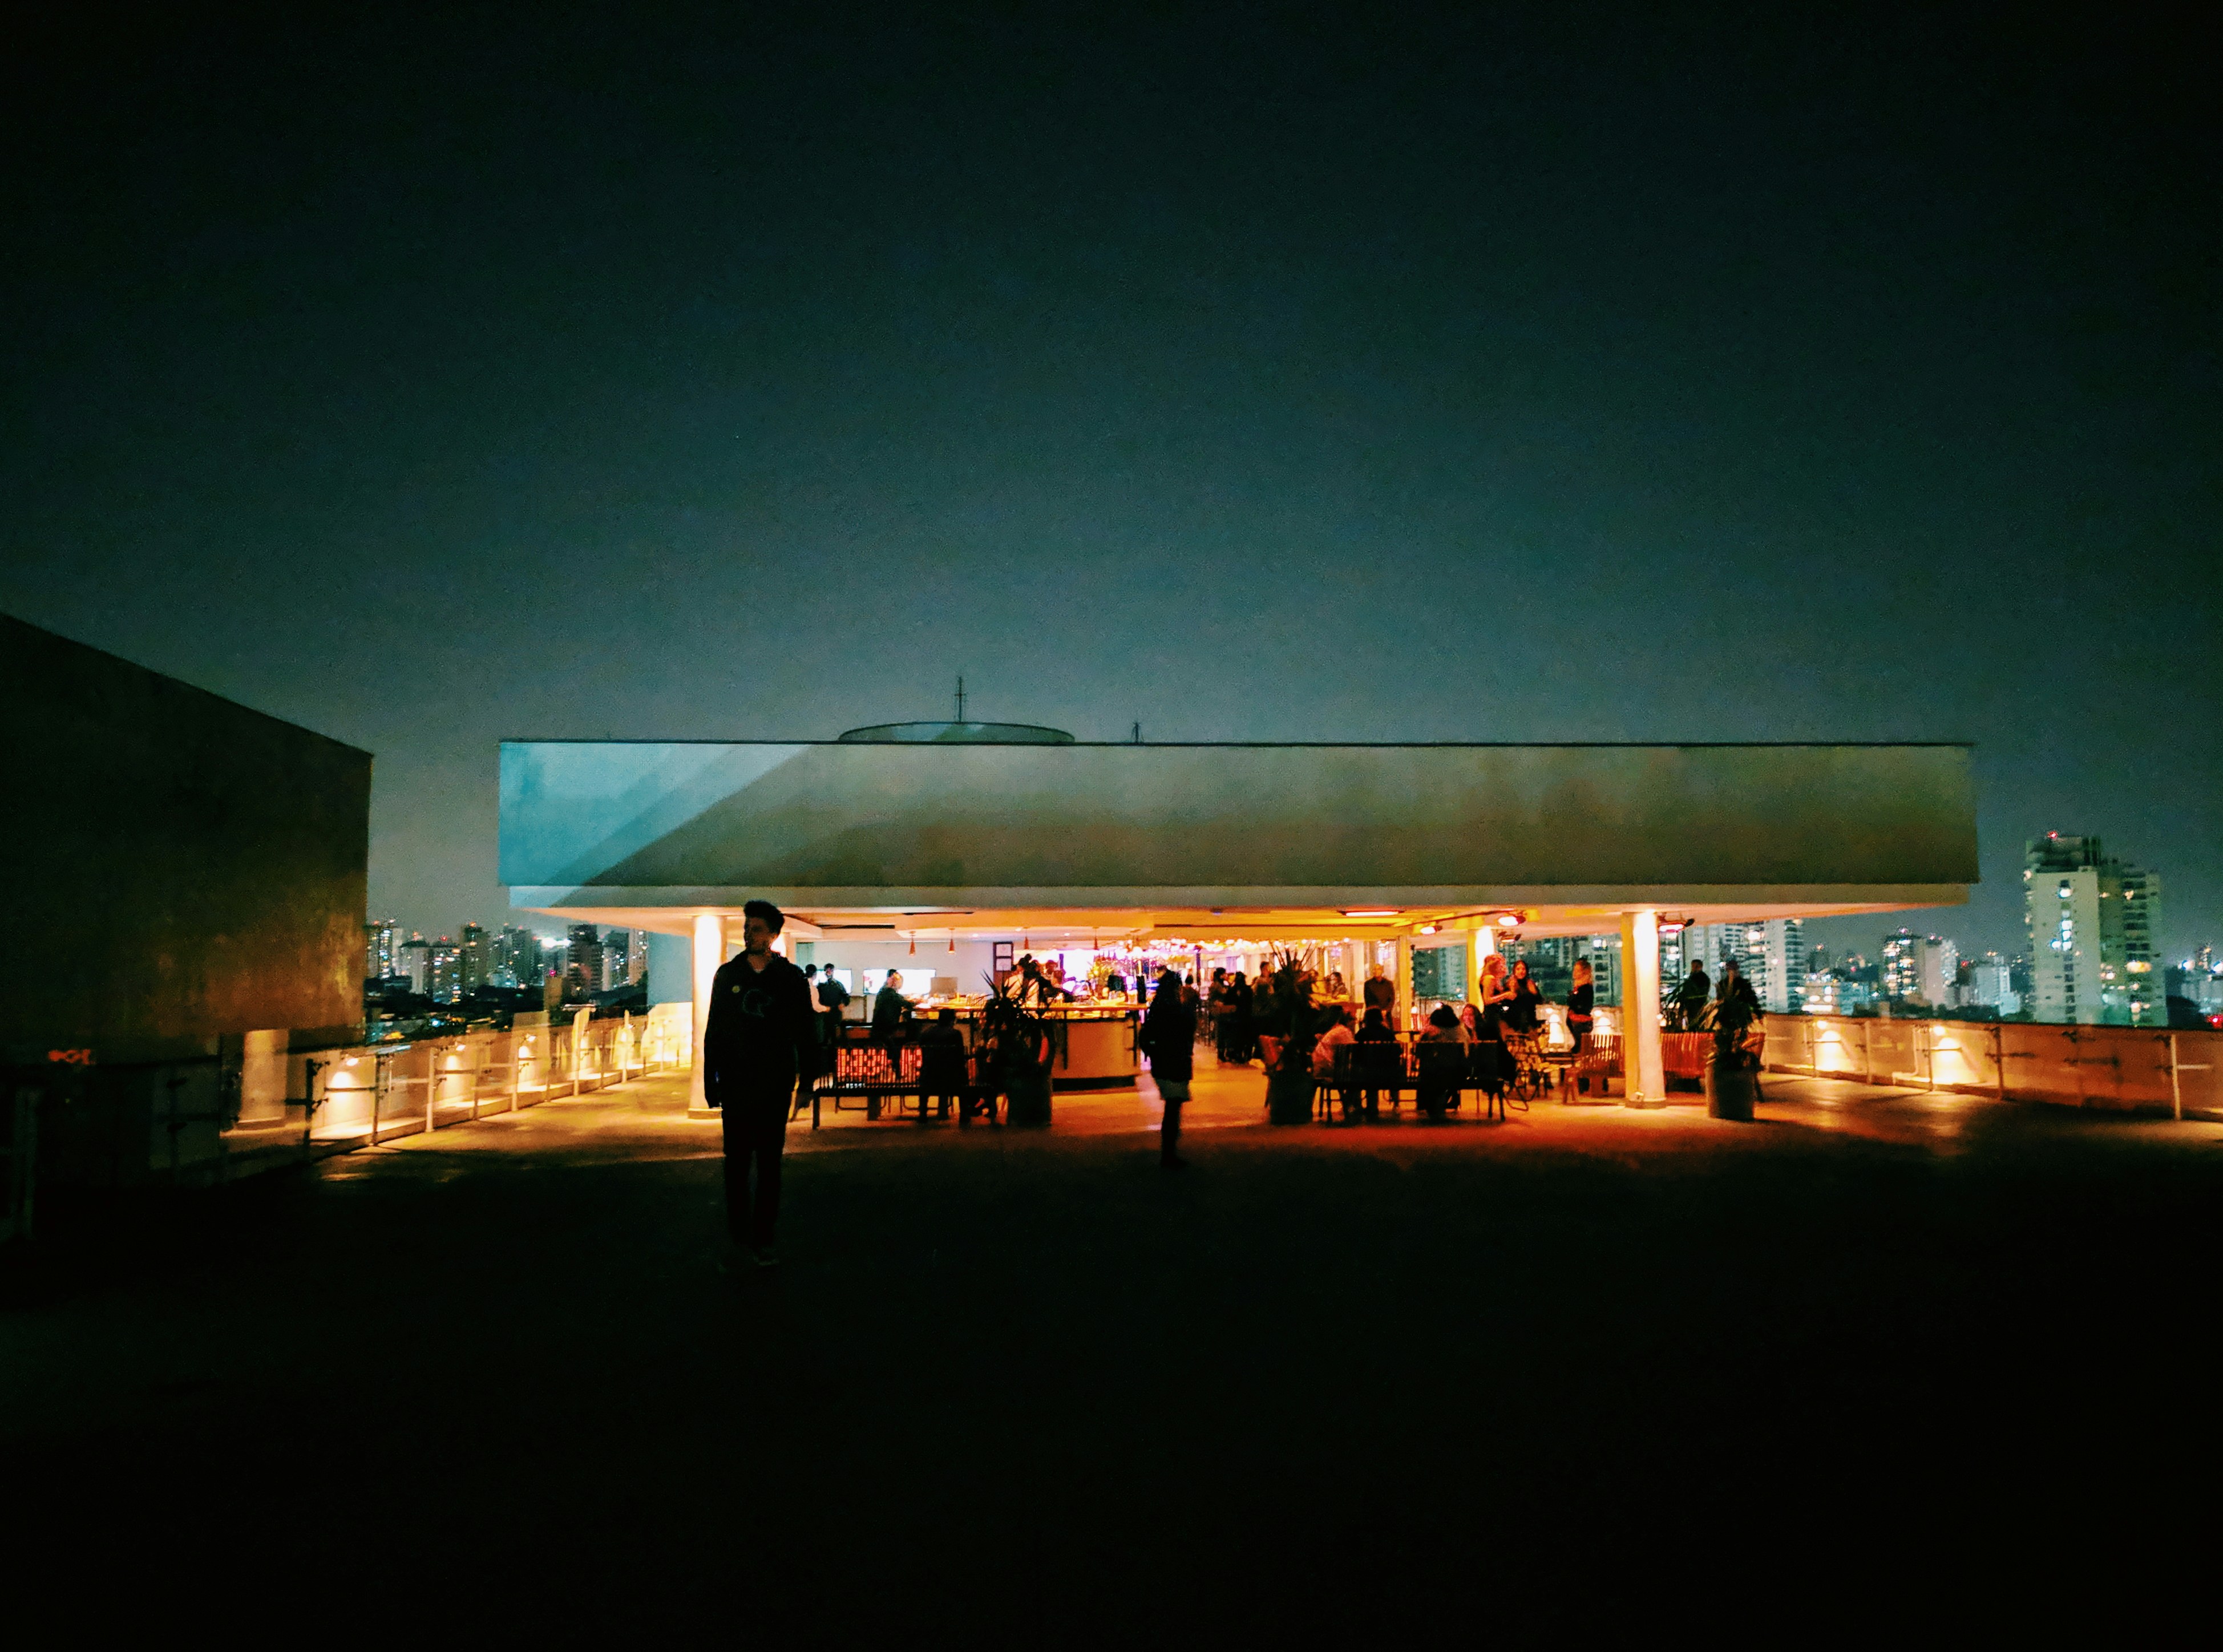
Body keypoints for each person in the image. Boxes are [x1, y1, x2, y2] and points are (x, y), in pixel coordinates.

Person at [702, 899, 819, 1269]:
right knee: (735, 1162)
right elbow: (715, 1031)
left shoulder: (790, 978)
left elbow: (805, 1029)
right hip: (737, 1083)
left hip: (774, 1082)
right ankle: (740, 1236)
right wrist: (711, 1082)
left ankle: (763, 1237)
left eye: (755, 928)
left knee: (770, 1163)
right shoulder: (728, 975)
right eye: (746, 928)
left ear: (773, 935)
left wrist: (807, 1082)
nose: (748, 934)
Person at [1141, 968, 1197, 1168]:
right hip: (1174, 1062)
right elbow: (1186, 1031)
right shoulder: (1174, 1009)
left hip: (1162, 1062)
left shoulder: (1157, 1007)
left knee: (1172, 1107)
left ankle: (1169, 1151)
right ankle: (1169, 1153)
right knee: (1173, 1107)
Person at [918, 1007, 968, 1123]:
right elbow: (960, 1055)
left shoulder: (927, 1033)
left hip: (929, 1076)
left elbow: (921, 1046)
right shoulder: (955, 1034)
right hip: (953, 1077)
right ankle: (964, 1115)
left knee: (930, 1074)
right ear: (952, 1021)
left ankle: (923, 1114)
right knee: (963, 1077)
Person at [1567, 958, 1596, 1095]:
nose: (1574, 972)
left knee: (1581, 1053)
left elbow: (1580, 1005)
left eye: (1577, 970)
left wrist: (1573, 999)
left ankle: (1583, 1083)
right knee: (1581, 1051)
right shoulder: (1579, 986)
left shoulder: (1585, 988)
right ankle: (1582, 1083)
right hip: (1577, 1022)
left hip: (1581, 1023)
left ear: (1584, 971)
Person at [1505, 958, 1545, 1036]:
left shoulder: (1530, 984)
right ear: (1514, 971)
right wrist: (1512, 990)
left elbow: (1540, 1001)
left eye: (1523, 969)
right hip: (1515, 1021)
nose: (1521, 971)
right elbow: (1506, 1003)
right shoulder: (1510, 984)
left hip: (1531, 1020)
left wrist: (1534, 992)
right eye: (1518, 969)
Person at [871, 969, 914, 1039]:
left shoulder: (883, 990)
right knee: (911, 1027)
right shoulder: (889, 993)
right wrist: (915, 1003)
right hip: (885, 1028)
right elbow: (907, 1004)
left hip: (878, 1026)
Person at [1673, 958, 1712, 1031]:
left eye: (1696, 966)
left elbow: (1702, 991)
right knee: (1691, 1022)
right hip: (1690, 1004)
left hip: (1697, 1004)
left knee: (1697, 1023)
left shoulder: (1703, 978)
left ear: (1700, 967)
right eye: (1693, 966)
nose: (1694, 968)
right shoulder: (1692, 977)